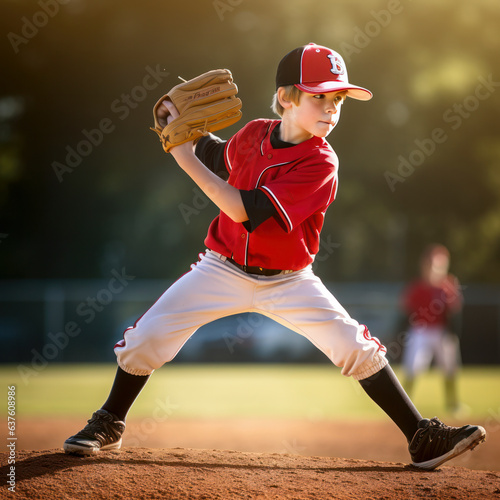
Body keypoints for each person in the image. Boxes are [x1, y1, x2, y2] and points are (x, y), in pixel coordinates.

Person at [64, 43, 485, 470]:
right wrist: (181, 128)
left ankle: (421, 436)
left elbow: (241, 209)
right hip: (221, 267)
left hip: (289, 279)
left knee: (355, 348)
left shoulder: (321, 163)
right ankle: (110, 420)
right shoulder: (253, 134)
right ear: (286, 97)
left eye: (337, 99)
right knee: (146, 338)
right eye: (319, 96)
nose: (331, 108)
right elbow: (218, 155)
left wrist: (180, 154)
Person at [401, 244, 464, 414]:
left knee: (450, 369)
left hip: (442, 331)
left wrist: (452, 331)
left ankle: (453, 404)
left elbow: (454, 312)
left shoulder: (448, 285)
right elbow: (405, 311)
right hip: (420, 330)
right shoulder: (417, 286)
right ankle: (403, 406)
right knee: (412, 369)